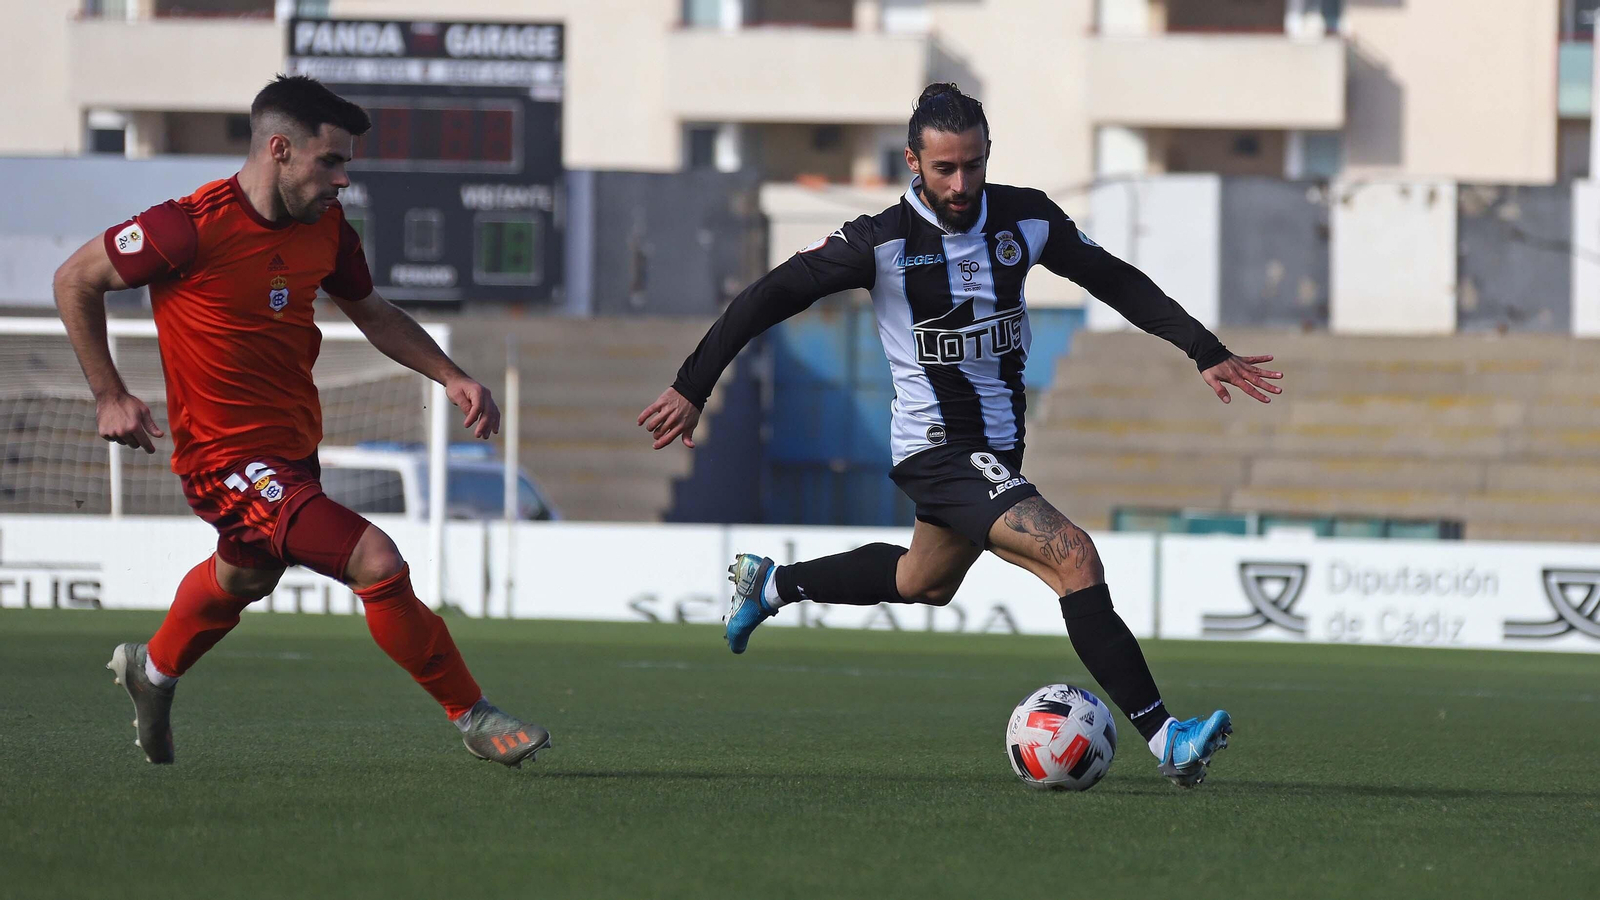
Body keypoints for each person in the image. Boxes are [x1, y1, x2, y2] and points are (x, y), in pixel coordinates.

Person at [637, 84, 1282, 787]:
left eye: (972, 165)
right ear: (913, 161)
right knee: (1074, 556)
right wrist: (692, 386)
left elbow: (1113, 279)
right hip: (937, 450)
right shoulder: (878, 243)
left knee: (924, 581)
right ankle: (1168, 740)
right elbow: (763, 299)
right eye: (944, 168)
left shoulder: (1026, 219)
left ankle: (772, 585)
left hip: (998, 449)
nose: (961, 183)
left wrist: (1203, 347)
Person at [54, 75, 549, 767]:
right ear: (279, 149)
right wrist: (109, 393)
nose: (343, 179)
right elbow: (74, 278)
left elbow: (373, 312)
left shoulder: (327, 227)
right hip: (224, 459)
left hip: (290, 451)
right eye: (331, 161)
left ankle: (153, 671)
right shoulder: (185, 226)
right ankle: (474, 714)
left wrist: (452, 375)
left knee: (245, 577)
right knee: (376, 560)